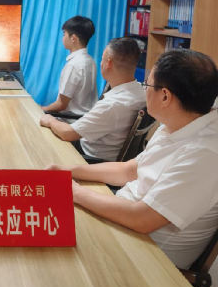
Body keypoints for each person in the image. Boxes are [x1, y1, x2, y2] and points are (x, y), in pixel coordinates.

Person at [46, 49, 218, 269]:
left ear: (165, 96)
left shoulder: (204, 154)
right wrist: (69, 171)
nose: (145, 90)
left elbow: (142, 219)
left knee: (49, 245)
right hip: (126, 218)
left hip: (149, 255)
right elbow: (130, 170)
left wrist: (73, 191)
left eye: (148, 84)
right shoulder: (178, 122)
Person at [40, 38, 146, 161]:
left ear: (108, 64)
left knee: (43, 140)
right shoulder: (141, 91)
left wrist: (50, 120)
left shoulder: (112, 105)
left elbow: (67, 133)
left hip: (89, 158)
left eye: (102, 59)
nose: (100, 63)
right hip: (105, 151)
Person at [41, 15, 98, 115]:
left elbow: (61, 105)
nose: (62, 39)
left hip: (70, 119)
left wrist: (40, 109)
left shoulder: (73, 65)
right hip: (85, 117)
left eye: (64, 34)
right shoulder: (91, 61)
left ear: (73, 38)